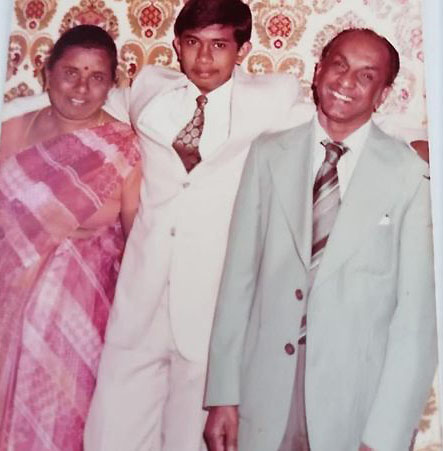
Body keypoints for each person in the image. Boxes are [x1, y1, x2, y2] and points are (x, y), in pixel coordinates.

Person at [81, 1, 301, 450]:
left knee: (188, 441)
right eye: (193, 44)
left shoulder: (272, 100)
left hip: (211, 309)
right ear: (177, 46)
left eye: (219, 45)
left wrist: (414, 141)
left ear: (243, 49)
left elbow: (333, 125)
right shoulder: (149, 88)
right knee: (111, 435)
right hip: (140, 300)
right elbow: (86, 103)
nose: (204, 58)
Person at [204, 28, 436, 451]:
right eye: (339, 65)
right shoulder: (268, 154)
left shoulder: (409, 174)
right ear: (318, 70)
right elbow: (237, 282)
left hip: (354, 400)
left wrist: (385, 436)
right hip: (265, 389)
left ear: (383, 95)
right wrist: (223, 394)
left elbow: (415, 323)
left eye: (366, 76)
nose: (346, 81)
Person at [0, 24, 141, 451]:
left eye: (97, 76)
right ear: (47, 73)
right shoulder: (10, 132)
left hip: (82, 322)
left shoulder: (125, 147)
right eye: (71, 72)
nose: (81, 87)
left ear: (112, 84)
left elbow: (137, 243)